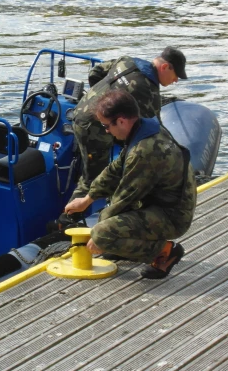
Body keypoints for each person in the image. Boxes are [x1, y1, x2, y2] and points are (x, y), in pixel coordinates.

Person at [64, 89, 196, 279]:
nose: (106, 131)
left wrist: (101, 237)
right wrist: (87, 199)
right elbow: (115, 169)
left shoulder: (145, 151)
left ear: (122, 121)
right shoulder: (146, 128)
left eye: (106, 126)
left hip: (173, 215)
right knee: (107, 227)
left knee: (102, 233)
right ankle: (123, 245)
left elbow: (124, 199)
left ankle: (165, 251)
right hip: (162, 204)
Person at [68, 46, 187, 203]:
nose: (176, 80)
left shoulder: (127, 61)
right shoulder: (148, 92)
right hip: (94, 128)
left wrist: (100, 100)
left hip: (80, 110)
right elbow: (155, 129)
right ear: (165, 67)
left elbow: (95, 72)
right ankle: (67, 219)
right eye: (176, 75)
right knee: (92, 180)